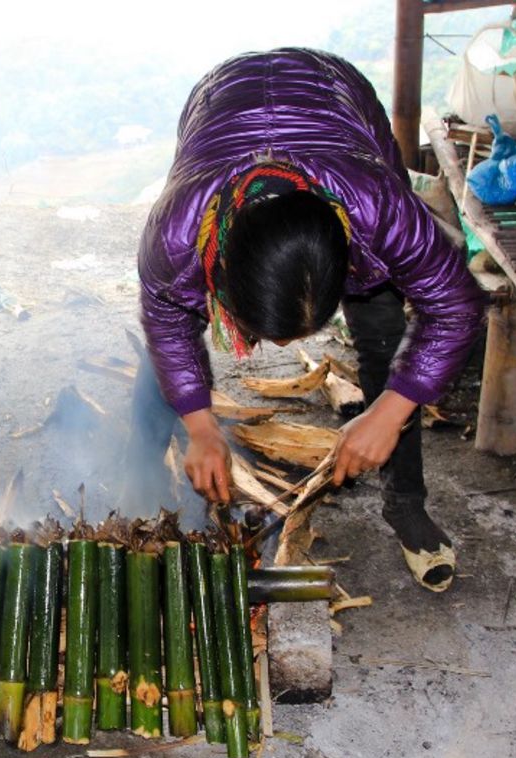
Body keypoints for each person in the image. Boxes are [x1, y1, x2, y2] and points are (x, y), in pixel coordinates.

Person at [133, 48, 486, 592]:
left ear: (350, 261)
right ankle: (139, 481)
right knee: (170, 338)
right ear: (222, 277)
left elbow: (456, 305)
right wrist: (201, 428)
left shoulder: (379, 210)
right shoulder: (179, 235)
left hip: (336, 93)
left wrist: (389, 413)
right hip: (222, 99)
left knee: (385, 337)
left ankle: (406, 505)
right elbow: (165, 321)